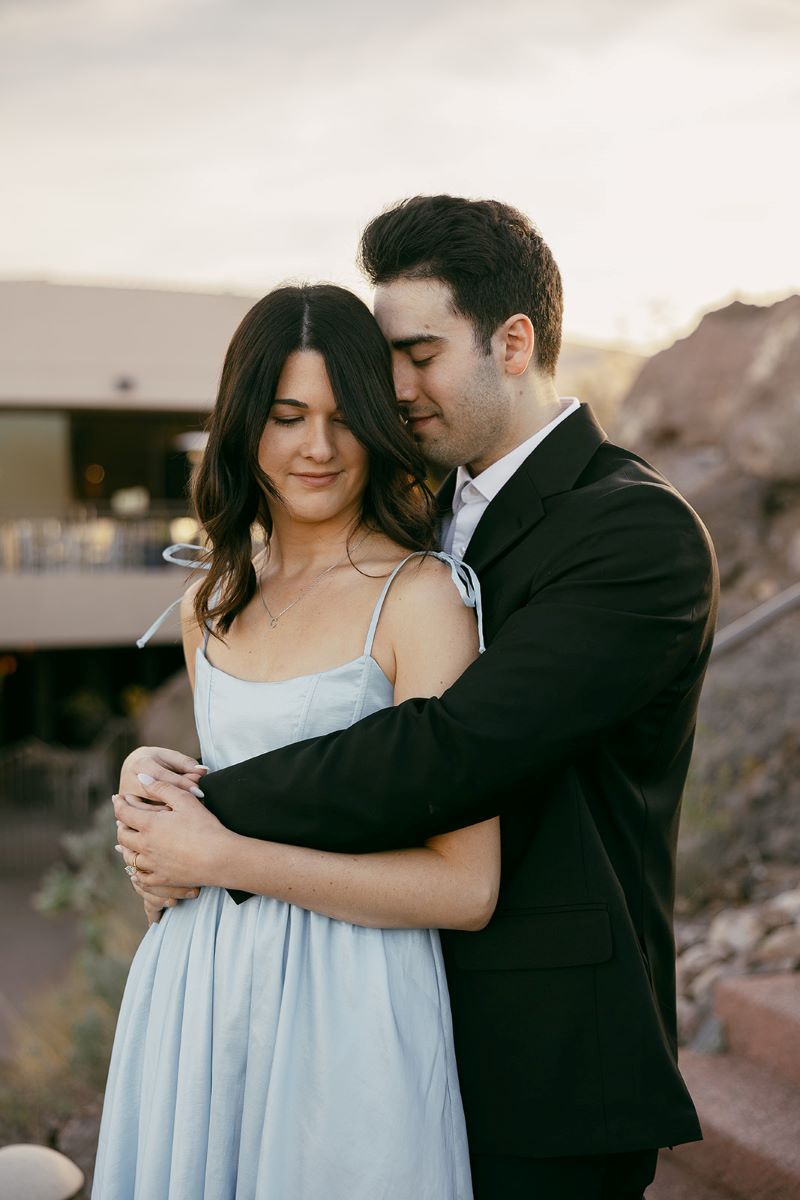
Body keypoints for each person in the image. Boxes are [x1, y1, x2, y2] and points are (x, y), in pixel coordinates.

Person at [116, 195, 720, 1200]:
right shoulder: (416, 510)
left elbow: (448, 749)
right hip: (366, 1023)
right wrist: (159, 779)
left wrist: (204, 819)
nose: (391, 389)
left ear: (512, 341)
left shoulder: (631, 534)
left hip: (546, 1053)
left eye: (419, 354)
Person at [95, 282, 499, 1199]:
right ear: (245, 424)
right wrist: (150, 787)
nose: (317, 448)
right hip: (195, 985)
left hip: (350, 1005)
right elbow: (234, 792)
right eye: (286, 416)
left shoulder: (425, 599)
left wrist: (224, 853)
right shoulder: (212, 601)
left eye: (344, 416)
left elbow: (467, 886)